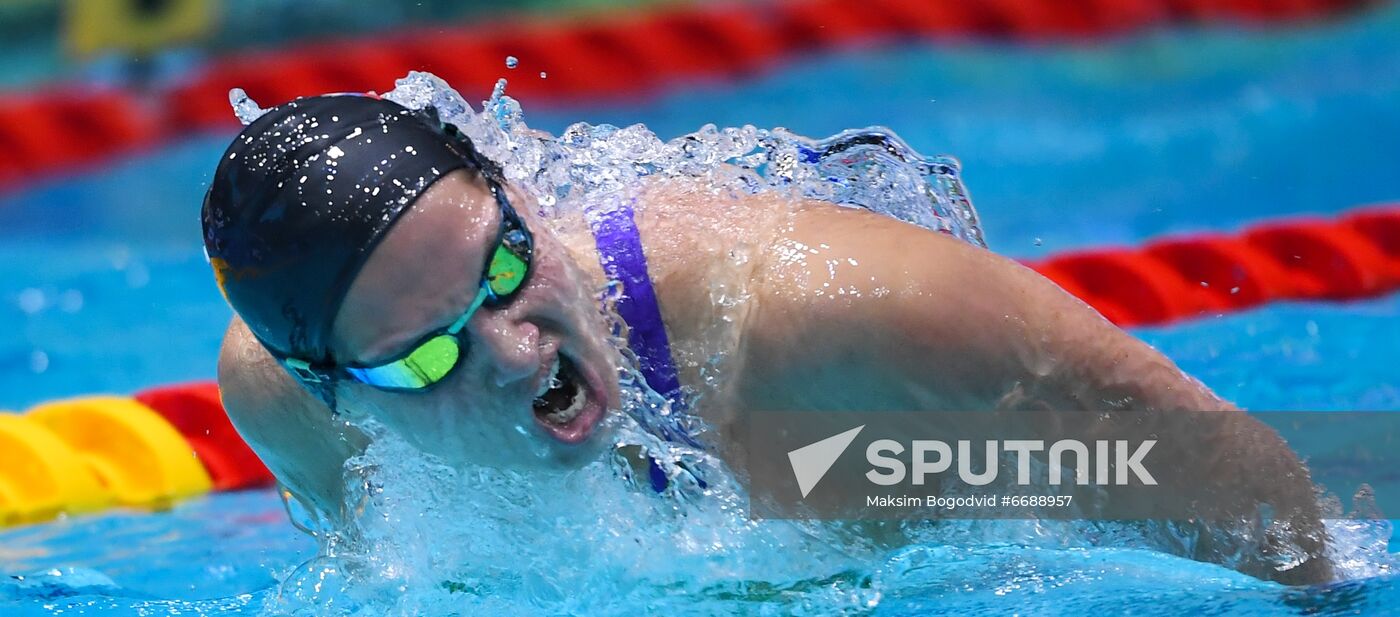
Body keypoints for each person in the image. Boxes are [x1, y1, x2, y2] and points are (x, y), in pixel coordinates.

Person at [205, 94, 1331, 584]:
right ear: (335, 388)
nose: (512, 352)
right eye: (423, 356)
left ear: (523, 202)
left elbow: (1243, 492)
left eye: (504, 269)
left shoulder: (820, 328)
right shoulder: (280, 396)